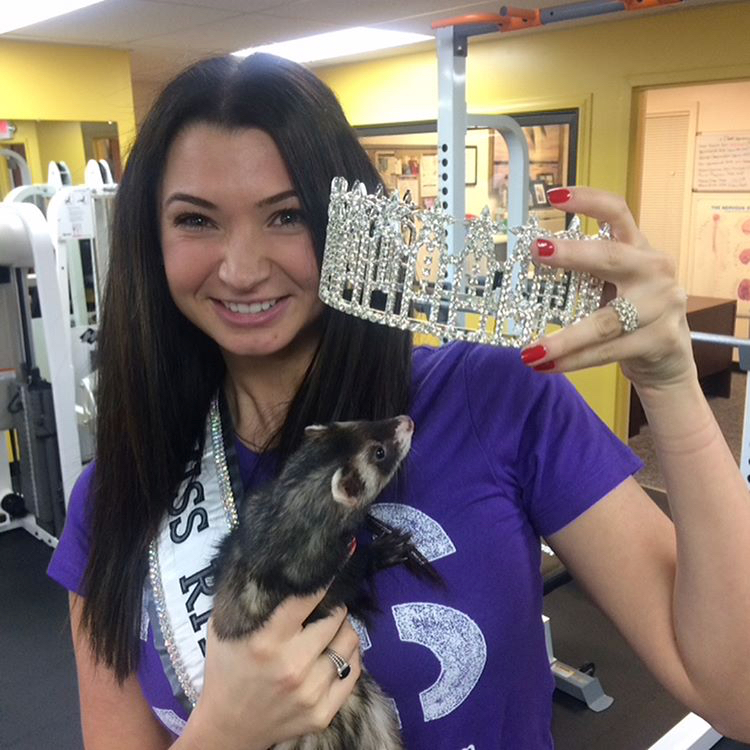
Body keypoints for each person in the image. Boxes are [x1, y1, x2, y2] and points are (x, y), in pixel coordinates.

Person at [47, 52, 750, 749]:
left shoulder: (493, 399)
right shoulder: (116, 499)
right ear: (150, 240)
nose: (241, 268)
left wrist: (671, 384)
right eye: (197, 221)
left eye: (287, 215)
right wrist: (224, 732)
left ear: (349, 224)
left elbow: (737, 694)